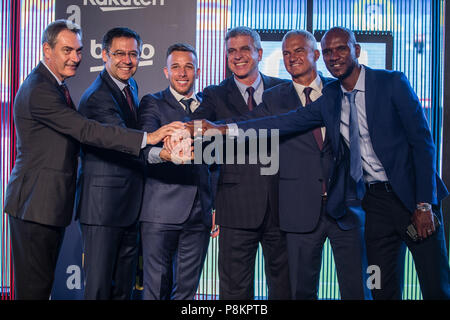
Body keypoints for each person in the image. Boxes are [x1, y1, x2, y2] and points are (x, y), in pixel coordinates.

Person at [192, 26, 450, 300]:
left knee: (432, 285)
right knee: (381, 287)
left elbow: (422, 143)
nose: (334, 56)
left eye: (340, 49)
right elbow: (278, 122)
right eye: (329, 52)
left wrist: (424, 203)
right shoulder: (329, 98)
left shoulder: (386, 83)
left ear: (356, 50)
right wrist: (220, 129)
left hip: (402, 201)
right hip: (365, 206)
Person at [3, 19, 182, 300]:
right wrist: (150, 138)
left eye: (78, 50)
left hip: (47, 204)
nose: (75, 57)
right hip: (34, 204)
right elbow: (87, 130)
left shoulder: (55, 84)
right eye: (67, 50)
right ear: (46, 50)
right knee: (34, 291)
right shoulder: (40, 88)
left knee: (43, 288)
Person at [231, 29, 370, 299]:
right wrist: (210, 131)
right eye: (285, 53)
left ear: (316, 54)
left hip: (346, 208)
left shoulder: (340, 90)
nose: (291, 57)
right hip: (299, 212)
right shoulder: (274, 98)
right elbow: (251, 126)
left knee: (358, 290)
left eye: (298, 51)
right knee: (300, 292)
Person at [189, 26, 291, 300]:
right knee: (234, 292)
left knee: (285, 289)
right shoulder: (213, 95)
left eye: (244, 49)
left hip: (282, 207)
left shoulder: (283, 89)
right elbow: (199, 135)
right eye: (231, 51)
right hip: (235, 208)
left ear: (259, 52)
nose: (237, 56)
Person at [137, 43, 214, 300]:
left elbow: (217, 162)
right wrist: (166, 153)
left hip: (200, 213)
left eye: (188, 67)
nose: (183, 73)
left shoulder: (208, 106)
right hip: (160, 212)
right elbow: (143, 149)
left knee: (186, 293)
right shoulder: (153, 103)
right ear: (166, 72)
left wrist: (214, 207)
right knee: (156, 291)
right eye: (176, 67)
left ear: (198, 71)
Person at [75, 27, 146, 300]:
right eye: (119, 54)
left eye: (133, 54)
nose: (127, 60)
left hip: (128, 208)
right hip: (103, 211)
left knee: (122, 291)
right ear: (104, 55)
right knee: (99, 290)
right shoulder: (97, 97)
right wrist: (163, 148)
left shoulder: (131, 86)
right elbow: (123, 139)